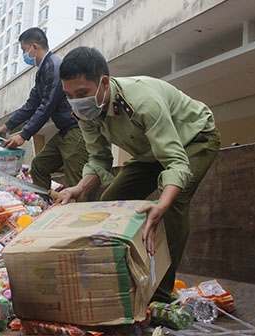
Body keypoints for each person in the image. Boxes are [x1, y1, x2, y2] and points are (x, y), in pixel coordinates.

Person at [58, 46, 221, 303]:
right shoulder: (85, 111)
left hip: (193, 139)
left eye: (81, 93)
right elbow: (99, 158)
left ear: (103, 83)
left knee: (173, 204)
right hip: (149, 152)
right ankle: (115, 277)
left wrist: (162, 204)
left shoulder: (143, 101)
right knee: (110, 202)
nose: (76, 101)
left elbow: (175, 162)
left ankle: (160, 295)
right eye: (69, 95)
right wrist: (80, 187)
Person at [0, 28, 88, 194]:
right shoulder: (42, 72)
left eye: (23, 50)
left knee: (75, 182)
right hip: (65, 131)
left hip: (77, 130)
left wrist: (24, 135)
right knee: (39, 166)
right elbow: (31, 105)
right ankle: (45, 206)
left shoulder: (54, 67)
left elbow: (47, 105)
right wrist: (7, 126)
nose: (24, 55)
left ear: (34, 47)